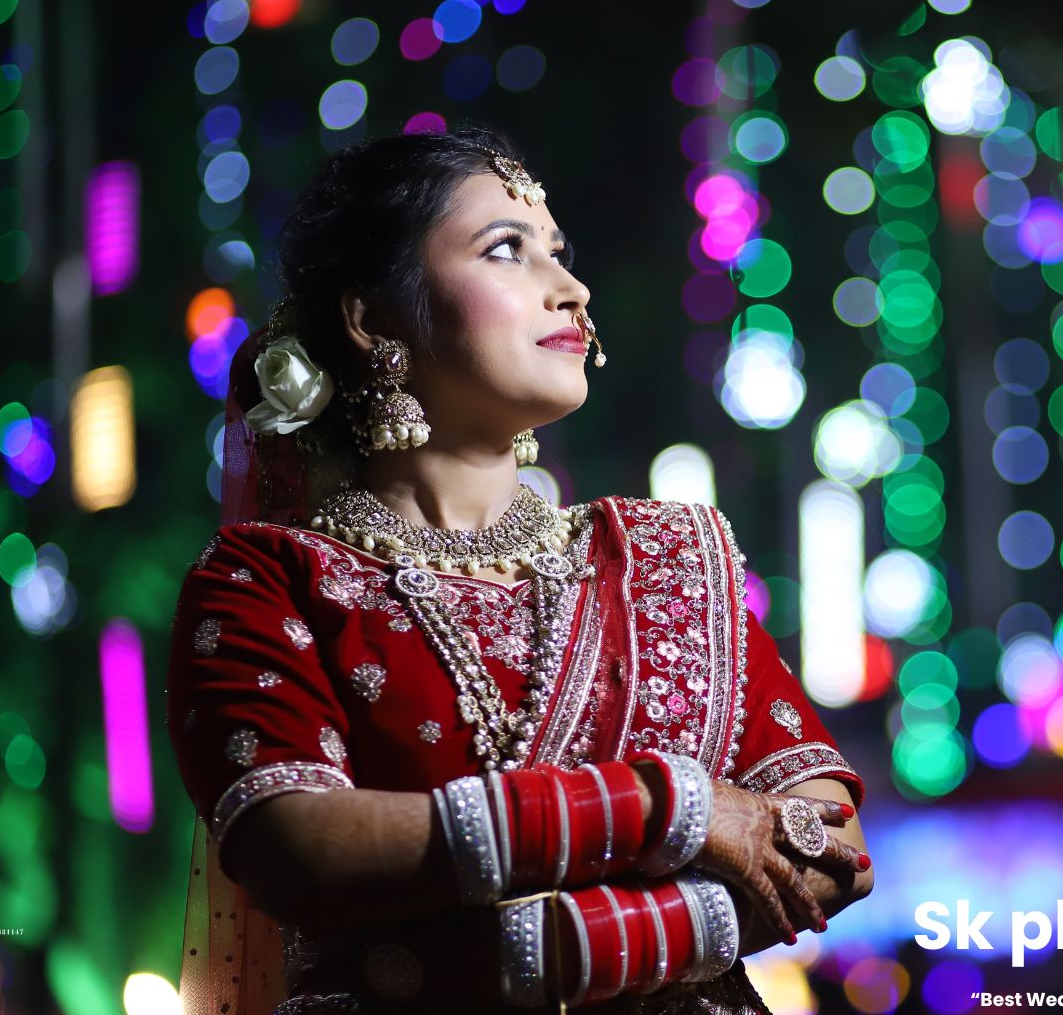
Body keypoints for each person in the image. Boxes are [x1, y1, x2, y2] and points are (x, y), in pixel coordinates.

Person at [166, 125, 873, 1013]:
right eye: (508, 250)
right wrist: (674, 808)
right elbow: (294, 847)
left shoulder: (669, 559)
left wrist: (557, 948)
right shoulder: (267, 581)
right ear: (374, 318)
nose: (572, 290)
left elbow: (828, 852)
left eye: (560, 254)